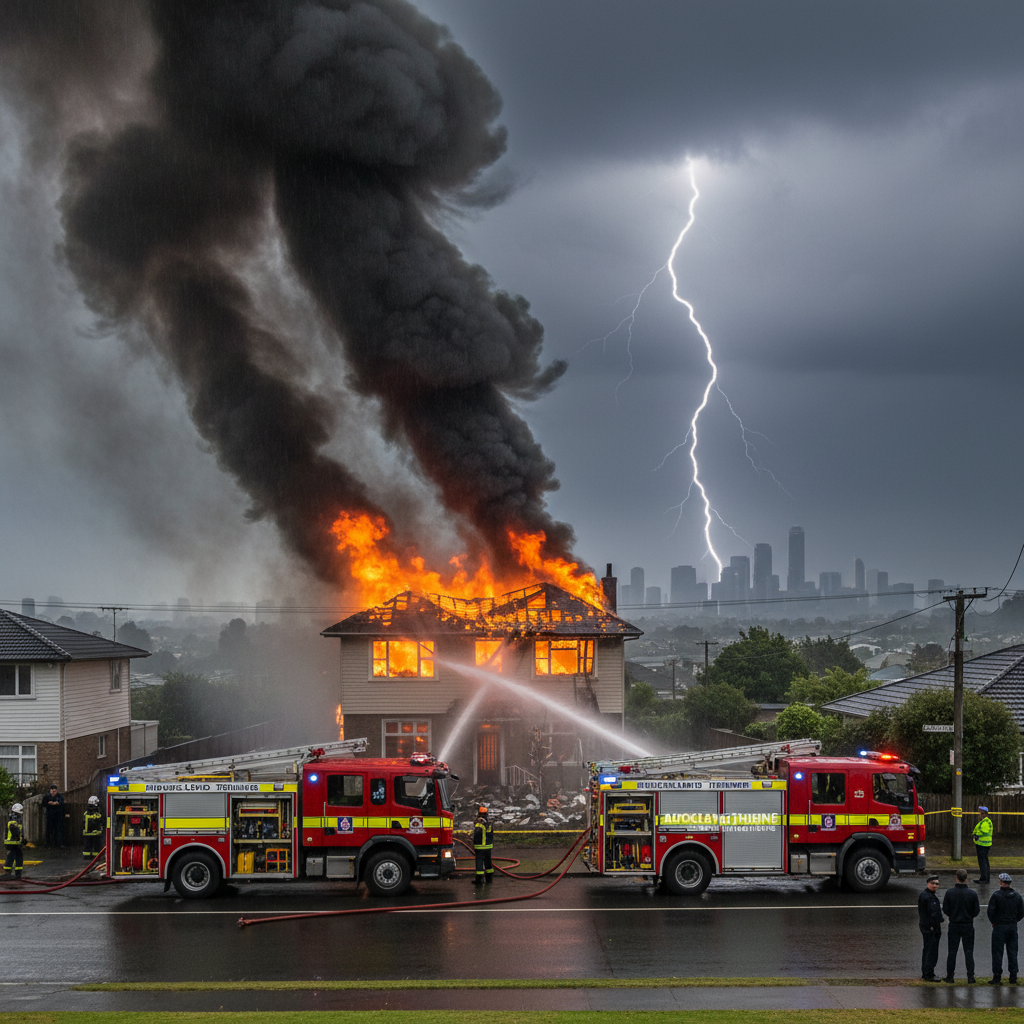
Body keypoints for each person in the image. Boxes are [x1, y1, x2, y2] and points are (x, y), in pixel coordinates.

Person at [943, 867, 981, 983]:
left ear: (956, 878)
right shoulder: (972, 894)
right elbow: (976, 910)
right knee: (969, 952)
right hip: (967, 925)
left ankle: (950, 976)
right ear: (966, 878)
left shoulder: (950, 892)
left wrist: (953, 915)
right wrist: (969, 916)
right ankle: (970, 976)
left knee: (952, 952)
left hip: (954, 924)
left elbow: (945, 909)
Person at [987, 872, 1024, 984]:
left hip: (999, 926)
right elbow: (1021, 912)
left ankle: (997, 977)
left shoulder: (996, 895)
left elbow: (990, 912)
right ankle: (1013, 976)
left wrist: (994, 922)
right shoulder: (1017, 896)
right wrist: (1014, 920)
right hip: (1012, 926)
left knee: (997, 952)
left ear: (1001, 882)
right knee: (1012, 952)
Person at [918, 874, 944, 981]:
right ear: (928, 883)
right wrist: (937, 922)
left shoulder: (925, 895)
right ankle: (929, 974)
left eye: (937, 884)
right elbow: (933, 913)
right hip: (931, 928)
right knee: (931, 951)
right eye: (932, 883)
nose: (935, 885)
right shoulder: (929, 897)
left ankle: (926, 972)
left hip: (927, 926)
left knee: (927, 950)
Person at [473, 805, 494, 884]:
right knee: (488, 861)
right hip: (488, 847)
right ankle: (489, 877)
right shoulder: (488, 823)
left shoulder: (481, 824)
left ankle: (479, 879)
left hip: (480, 847)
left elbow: (477, 834)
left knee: (479, 862)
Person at [4, 803, 25, 881]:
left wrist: (22, 840)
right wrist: (18, 838)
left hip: (15, 843)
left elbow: (19, 831)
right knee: (12, 856)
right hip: (12, 843)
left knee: (18, 857)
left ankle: (17, 873)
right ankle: (8, 873)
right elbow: (15, 830)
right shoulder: (14, 819)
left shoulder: (16, 818)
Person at [973, 806, 994, 884]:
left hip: (983, 845)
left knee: (983, 862)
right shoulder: (985, 821)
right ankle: (984, 877)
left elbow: (983, 831)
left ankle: (984, 878)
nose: (980, 814)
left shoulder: (986, 822)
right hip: (983, 844)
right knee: (984, 861)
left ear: (984, 814)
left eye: (981, 813)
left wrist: (976, 834)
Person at [83, 795, 105, 861]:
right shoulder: (97, 814)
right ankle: (96, 857)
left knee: (87, 846)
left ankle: (87, 857)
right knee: (96, 846)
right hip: (96, 834)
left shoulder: (86, 813)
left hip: (86, 834)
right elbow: (101, 822)